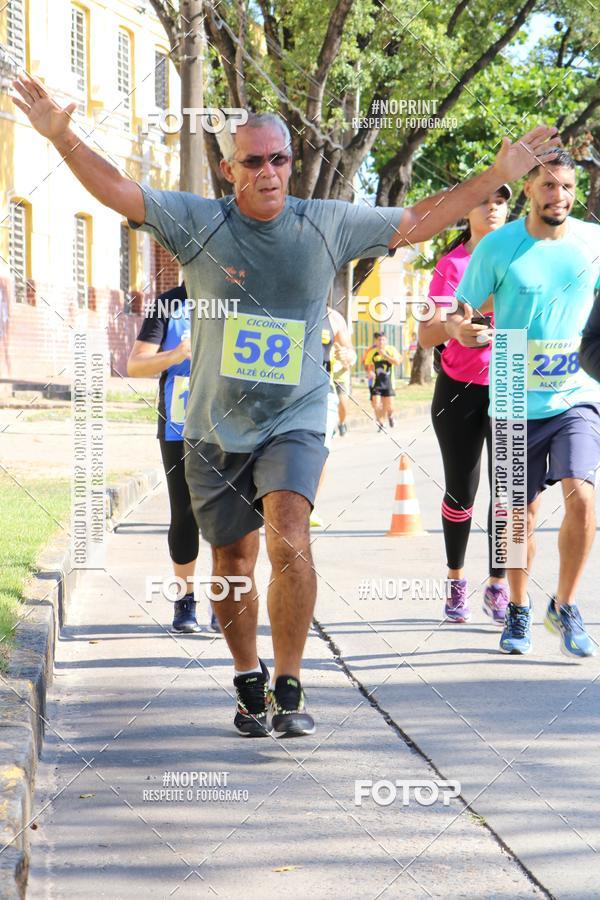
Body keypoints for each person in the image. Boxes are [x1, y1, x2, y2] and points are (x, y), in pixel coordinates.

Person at [12, 71, 561, 734]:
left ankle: (292, 681)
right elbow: (120, 191)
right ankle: (248, 679)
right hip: (215, 423)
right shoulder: (198, 221)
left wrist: (492, 175)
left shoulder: (326, 223)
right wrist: (63, 137)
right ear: (230, 168)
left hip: (294, 416)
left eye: (280, 159)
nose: (269, 172)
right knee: (231, 561)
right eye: (254, 161)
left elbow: (421, 219)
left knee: (291, 535)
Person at [455, 151, 600, 658]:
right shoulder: (499, 247)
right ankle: (518, 608)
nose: (557, 195)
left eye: (565, 186)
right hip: (514, 384)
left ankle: (564, 605)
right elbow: (463, 311)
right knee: (519, 514)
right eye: (547, 185)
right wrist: (464, 330)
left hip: (577, 390)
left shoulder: (593, 242)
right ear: (529, 190)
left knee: (582, 495)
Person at [419, 188, 511, 624]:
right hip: (459, 389)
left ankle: (498, 584)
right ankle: (456, 582)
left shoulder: (522, 258)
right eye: (483, 200)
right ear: (467, 211)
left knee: (509, 494)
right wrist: (455, 331)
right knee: (462, 491)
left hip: (511, 385)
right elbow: (424, 336)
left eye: (501, 199)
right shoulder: (449, 265)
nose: (492, 206)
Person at [127, 283, 220, 636]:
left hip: (232, 423)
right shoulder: (169, 304)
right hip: (178, 424)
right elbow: (135, 365)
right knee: (184, 513)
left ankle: (223, 600)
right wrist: (177, 354)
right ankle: (185, 601)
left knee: (227, 516)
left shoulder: (242, 294)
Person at [310, 306, 356, 528]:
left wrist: (348, 356)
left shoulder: (333, 318)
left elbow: (350, 353)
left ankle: (309, 506)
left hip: (323, 394)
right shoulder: (289, 302)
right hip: (287, 396)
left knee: (321, 450)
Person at [363, 332, 402, 429]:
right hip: (376, 383)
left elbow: (397, 362)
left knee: (389, 406)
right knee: (376, 403)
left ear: (386, 340)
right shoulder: (372, 352)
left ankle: (390, 416)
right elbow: (368, 366)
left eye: (383, 339)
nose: (381, 342)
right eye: (379, 340)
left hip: (388, 382)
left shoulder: (391, 350)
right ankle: (381, 423)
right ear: (376, 341)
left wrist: (385, 355)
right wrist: (370, 372)